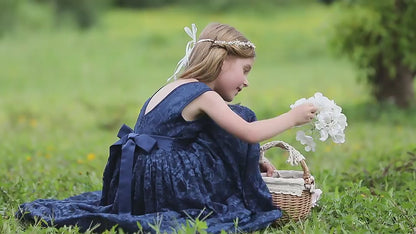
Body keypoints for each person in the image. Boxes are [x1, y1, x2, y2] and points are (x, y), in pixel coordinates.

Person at [16, 22, 317, 233]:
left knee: (228, 119)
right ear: (223, 60)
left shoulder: (175, 86)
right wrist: (293, 117)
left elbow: (212, 136)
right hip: (164, 181)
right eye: (245, 70)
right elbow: (247, 132)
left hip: (136, 177)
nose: (247, 81)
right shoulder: (204, 95)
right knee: (243, 117)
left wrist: (253, 158)